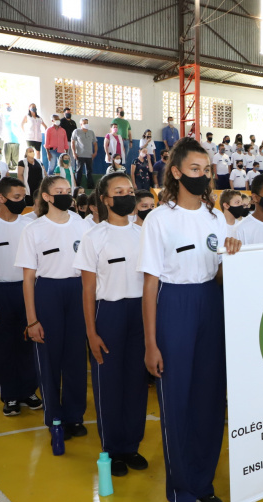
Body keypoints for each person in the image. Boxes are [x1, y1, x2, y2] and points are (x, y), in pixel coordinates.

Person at [137, 138, 241, 502]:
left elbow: (216, 274)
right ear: (177, 172)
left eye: (207, 169)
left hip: (209, 304)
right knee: (177, 403)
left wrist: (229, 257)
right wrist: (151, 343)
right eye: (195, 169)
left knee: (210, 401)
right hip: (174, 306)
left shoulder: (217, 218)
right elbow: (150, 285)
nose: (203, 175)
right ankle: (180, 489)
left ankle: (204, 484)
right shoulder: (158, 219)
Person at [74, 173, 149, 477]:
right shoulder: (94, 236)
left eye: (129, 190)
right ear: (104, 200)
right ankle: (112, 448)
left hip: (141, 312)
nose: (126, 196)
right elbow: (88, 290)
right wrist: (91, 332)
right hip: (110, 312)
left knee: (136, 382)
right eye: (118, 191)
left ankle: (131, 445)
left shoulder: (144, 233)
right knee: (109, 382)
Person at [15, 175, 91, 447]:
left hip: (78, 290)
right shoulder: (33, 230)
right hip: (47, 292)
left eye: (67, 191)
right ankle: (55, 418)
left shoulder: (83, 225)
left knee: (74, 358)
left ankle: (74, 415)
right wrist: (32, 319)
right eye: (58, 191)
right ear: (46, 197)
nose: (65, 195)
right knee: (49, 358)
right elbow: (27, 279)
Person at [0, 177, 41, 415]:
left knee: (28, 342)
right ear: (1, 198)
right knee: (2, 345)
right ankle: (10, 395)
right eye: (16, 198)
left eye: (23, 197)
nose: (22, 202)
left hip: (27, 290)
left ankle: (29, 390)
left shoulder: (29, 226)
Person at [71, 118, 97, 191]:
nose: (86, 124)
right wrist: (74, 152)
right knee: (79, 171)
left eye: (87, 122)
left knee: (89, 171)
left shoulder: (91, 132)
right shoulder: (76, 131)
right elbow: (72, 142)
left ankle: (91, 187)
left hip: (89, 155)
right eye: (84, 123)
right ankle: (77, 186)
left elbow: (95, 143)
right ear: (81, 124)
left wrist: (95, 152)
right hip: (80, 155)